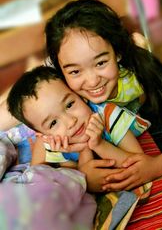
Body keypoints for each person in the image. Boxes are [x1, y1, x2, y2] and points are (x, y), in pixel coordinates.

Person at [44, 0, 162, 192]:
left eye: (101, 63)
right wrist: (83, 176)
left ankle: (138, 41)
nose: (92, 82)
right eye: (75, 71)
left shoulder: (142, 72)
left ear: (117, 52)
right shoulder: (62, 90)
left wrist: (158, 165)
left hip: (153, 121)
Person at [7, 66, 151, 178]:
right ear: (45, 134)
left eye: (69, 105)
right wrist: (83, 152)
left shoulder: (109, 115)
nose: (71, 122)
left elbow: (139, 162)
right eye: (53, 123)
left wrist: (99, 145)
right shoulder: (55, 143)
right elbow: (71, 175)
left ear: (81, 97)